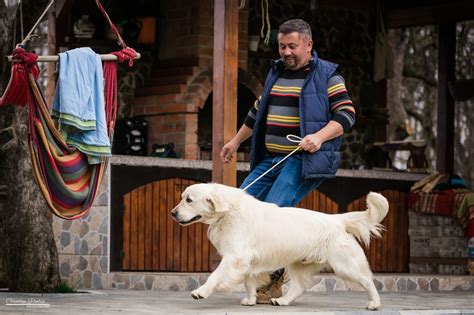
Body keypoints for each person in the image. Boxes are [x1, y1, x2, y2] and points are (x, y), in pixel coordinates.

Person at [219, 19, 356, 303]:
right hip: (270, 159)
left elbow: (346, 115)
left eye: (292, 46)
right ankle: (250, 272)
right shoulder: (275, 73)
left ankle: (272, 281)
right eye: (282, 46)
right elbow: (256, 114)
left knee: (274, 213)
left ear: (308, 44)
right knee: (238, 206)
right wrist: (234, 141)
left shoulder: (329, 74)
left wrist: (318, 136)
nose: (286, 52)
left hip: (302, 160)